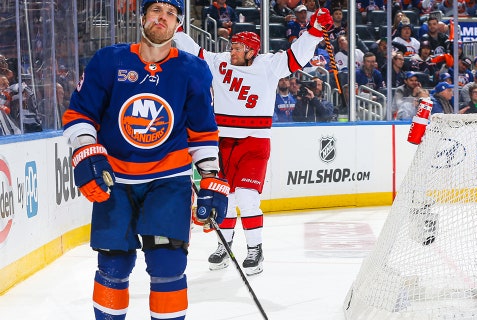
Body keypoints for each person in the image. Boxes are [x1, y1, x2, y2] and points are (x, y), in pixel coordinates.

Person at [61, 1, 228, 319]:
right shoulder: (109, 61)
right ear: (142, 18)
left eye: (170, 13)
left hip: (169, 180)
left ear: (178, 25)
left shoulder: (193, 70)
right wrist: (84, 150)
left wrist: (210, 177)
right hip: (117, 179)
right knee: (113, 265)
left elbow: (203, 132)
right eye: (156, 10)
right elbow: (80, 114)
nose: (161, 18)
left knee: (168, 265)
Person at [174, 7, 334, 275]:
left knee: (247, 198)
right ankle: (224, 246)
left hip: (254, 142)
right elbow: (192, 50)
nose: (232, 51)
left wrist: (315, 31)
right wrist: (174, 28)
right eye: (232, 46)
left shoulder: (268, 65)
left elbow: (297, 56)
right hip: (222, 141)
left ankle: (254, 250)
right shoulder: (220, 61)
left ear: (251, 52)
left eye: (238, 48)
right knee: (223, 195)